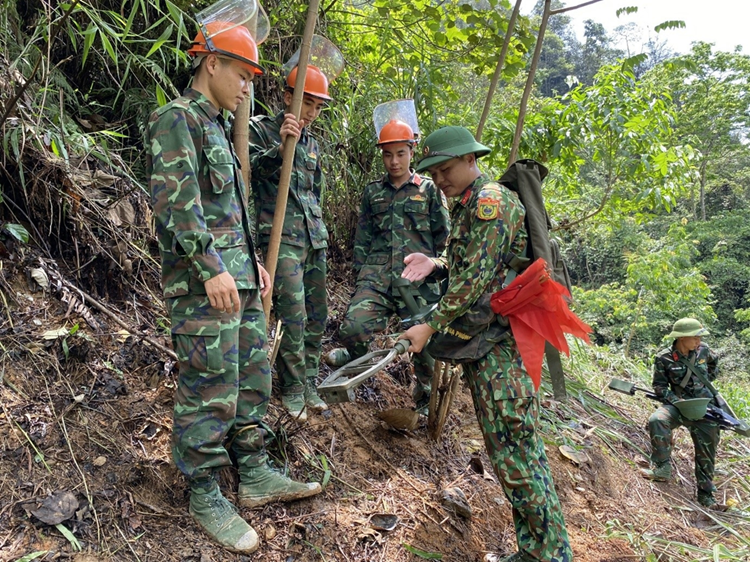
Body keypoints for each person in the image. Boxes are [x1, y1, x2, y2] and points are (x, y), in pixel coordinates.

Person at [146, 22, 321, 554]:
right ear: (211, 64)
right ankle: (202, 490)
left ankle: (254, 471)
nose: (248, 87)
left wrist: (251, 266)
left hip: (238, 278)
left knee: (252, 378)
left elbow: (229, 209)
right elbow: (177, 201)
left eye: (252, 79)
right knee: (210, 381)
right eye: (243, 75)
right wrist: (209, 265)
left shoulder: (221, 127)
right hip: (204, 284)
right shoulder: (177, 119)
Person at [401, 126, 573, 562]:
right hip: (487, 344)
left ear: (470, 160)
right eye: (433, 173)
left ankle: (548, 555)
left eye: (445, 170)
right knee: (507, 454)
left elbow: (475, 280)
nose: (439, 180)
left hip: (502, 348)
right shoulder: (466, 204)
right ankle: (537, 551)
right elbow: (476, 266)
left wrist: (429, 324)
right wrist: (437, 264)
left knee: (518, 453)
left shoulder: (489, 204)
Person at [325, 119, 450, 413]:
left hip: (416, 282)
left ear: (412, 151)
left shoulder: (430, 191)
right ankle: (358, 364)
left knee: (425, 346)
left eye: (400, 154)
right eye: (387, 154)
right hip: (377, 276)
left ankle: (425, 397)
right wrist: (361, 278)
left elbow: (445, 241)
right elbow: (363, 238)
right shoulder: (373, 192)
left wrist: (439, 275)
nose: (394, 161)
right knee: (354, 326)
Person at [248, 64, 332, 421]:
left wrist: (321, 232)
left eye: (317, 107)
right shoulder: (260, 130)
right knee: (292, 315)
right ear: (287, 97)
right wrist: (280, 149)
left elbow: (313, 193)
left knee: (317, 313)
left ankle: (309, 380)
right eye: (306, 104)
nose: (311, 113)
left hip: (313, 238)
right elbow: (248, 172)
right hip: (280, 239)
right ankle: (293, 387)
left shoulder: (312, 143)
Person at [640, 318, 721, 508]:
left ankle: (706, 494)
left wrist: (705, 383)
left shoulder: (704, 350)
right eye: (695, 337)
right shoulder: (664, 358)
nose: (698, 342)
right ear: (682, 338)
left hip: (704, 408)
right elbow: (659, 386)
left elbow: (713, 365)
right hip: (678, 405)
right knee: (657, 420)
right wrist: (676, 401)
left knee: (707, 450)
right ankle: (662, 467)